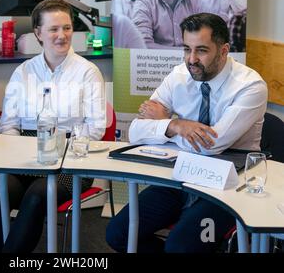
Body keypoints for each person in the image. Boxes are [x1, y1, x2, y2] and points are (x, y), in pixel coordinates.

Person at [106, 13, 267, 253]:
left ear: (223, 51)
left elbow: (210, 145)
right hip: (181, 176)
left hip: (229, 186)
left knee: (180, 246)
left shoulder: (250, 86)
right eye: (186, 49)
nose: (191, 59)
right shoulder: (179, 75)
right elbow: (136, 131)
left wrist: (163, 123)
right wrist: (176, 125)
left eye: (201, 50)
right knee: (118, 234)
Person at [0, 0, 106, 253]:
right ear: (38, 33)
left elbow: (96, 127)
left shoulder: (87, 72)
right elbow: (9, 124)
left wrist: (58, 149)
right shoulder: (23, 71)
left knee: (38, 195)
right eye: (54, 29)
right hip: (25, 155)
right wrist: (20, 152)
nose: (62, 35)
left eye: (67, 28)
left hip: (71, 160)